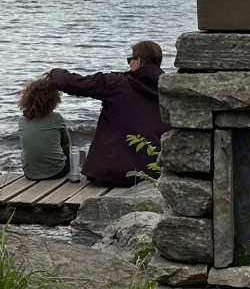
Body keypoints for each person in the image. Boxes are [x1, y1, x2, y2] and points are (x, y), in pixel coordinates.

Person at [45, 39, 169, 187]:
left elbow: (78, 83)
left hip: (113, 173)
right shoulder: (169, 89)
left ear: (138, 61)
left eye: (130, 60)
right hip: (154, 172)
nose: (129, 64)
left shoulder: (117, 83)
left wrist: (55, 73)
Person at [17, 75, 71, 180]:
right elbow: (67, 148)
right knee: (71, 158)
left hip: (29, 174)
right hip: (56, 172)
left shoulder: (22, 121)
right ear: (54, 99)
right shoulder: (56, 118)